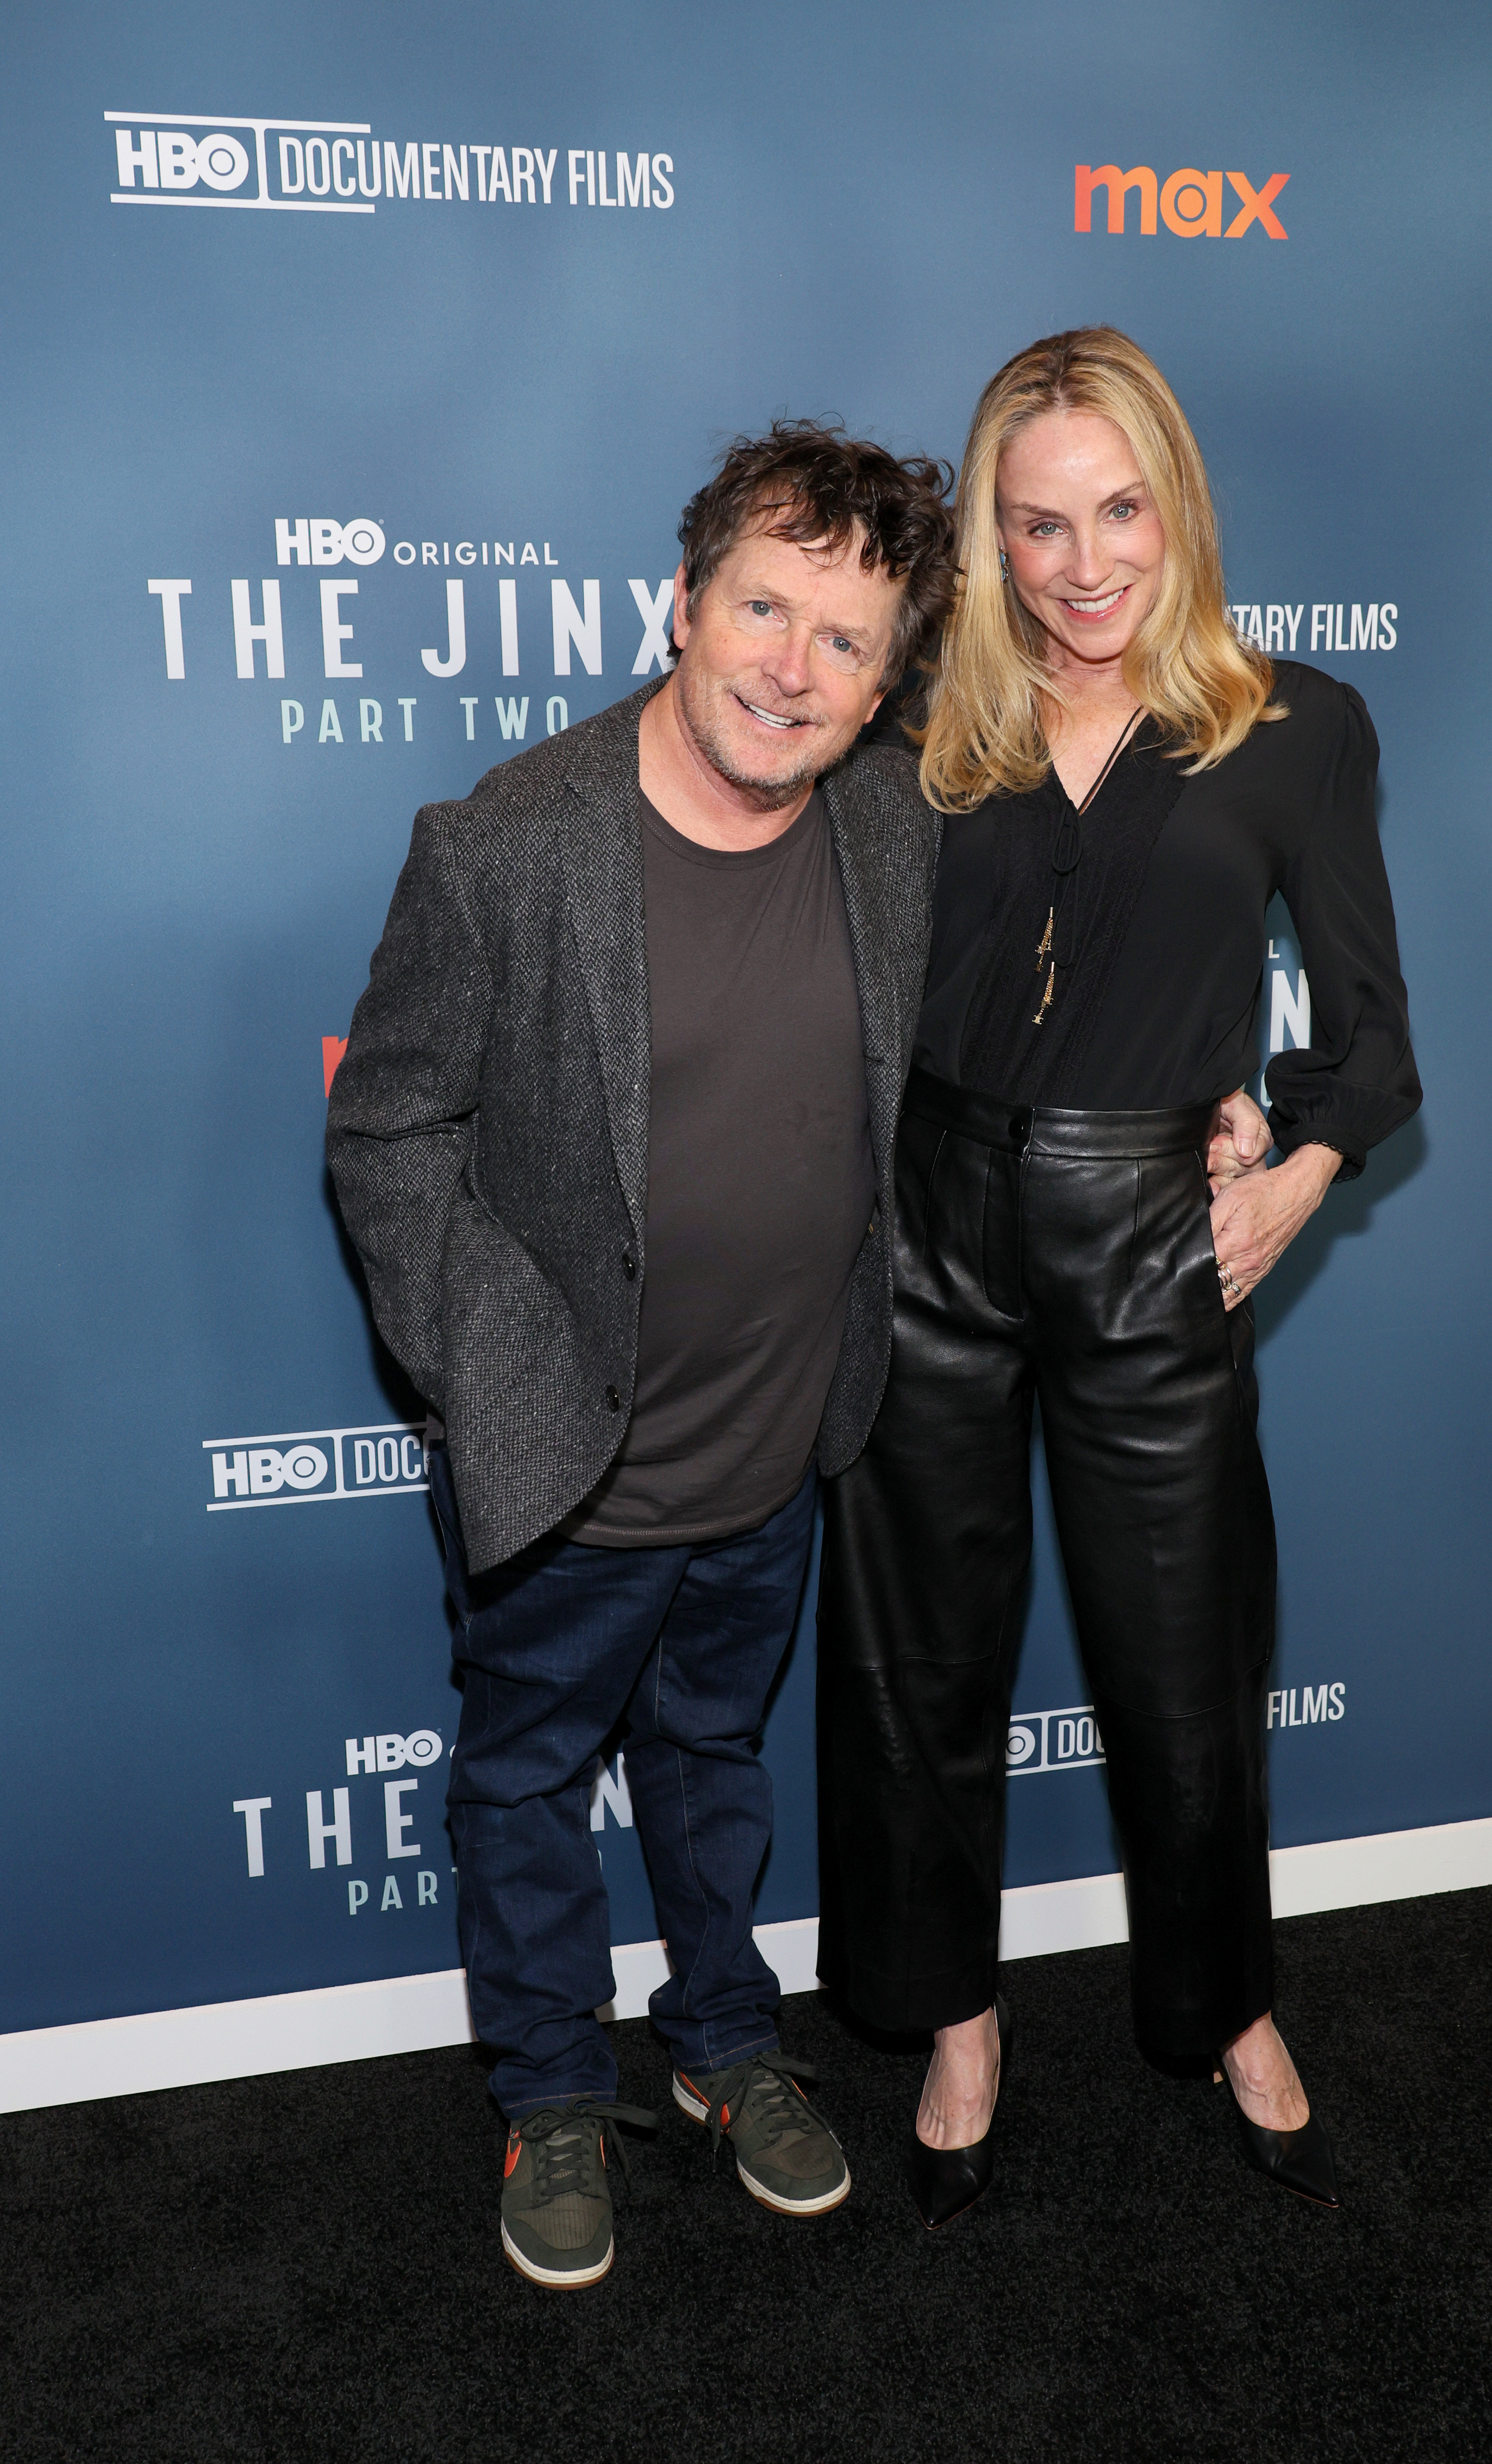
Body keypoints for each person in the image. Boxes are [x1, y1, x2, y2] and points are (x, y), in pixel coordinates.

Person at [325, 423, 960, 2288]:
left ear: (882, 677)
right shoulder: (509, 845)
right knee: (524, 1779)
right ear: (680, 605)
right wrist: (487, 1372)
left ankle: (723, 2045)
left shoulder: (896, 827)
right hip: (571, 1464)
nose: (792, 666)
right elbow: (387, 1135)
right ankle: (544, 2088)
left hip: (779, 1438)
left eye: (844, 641)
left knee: (712, 1757)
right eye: (763, 608)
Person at [815, 327, 1422, 2223]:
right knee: (918, 1665)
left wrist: (1290, 1176)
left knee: (1185, 1662)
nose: (1082, 566)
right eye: (1035, 525)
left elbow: (1371, 1035)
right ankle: (957, 2016)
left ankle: (1228, 2005)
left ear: (1178, 508)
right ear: (988, 541)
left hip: (1157, 1225)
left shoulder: (1296, 728)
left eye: (1117, 512)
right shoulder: (919, 728)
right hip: (926, 1223)